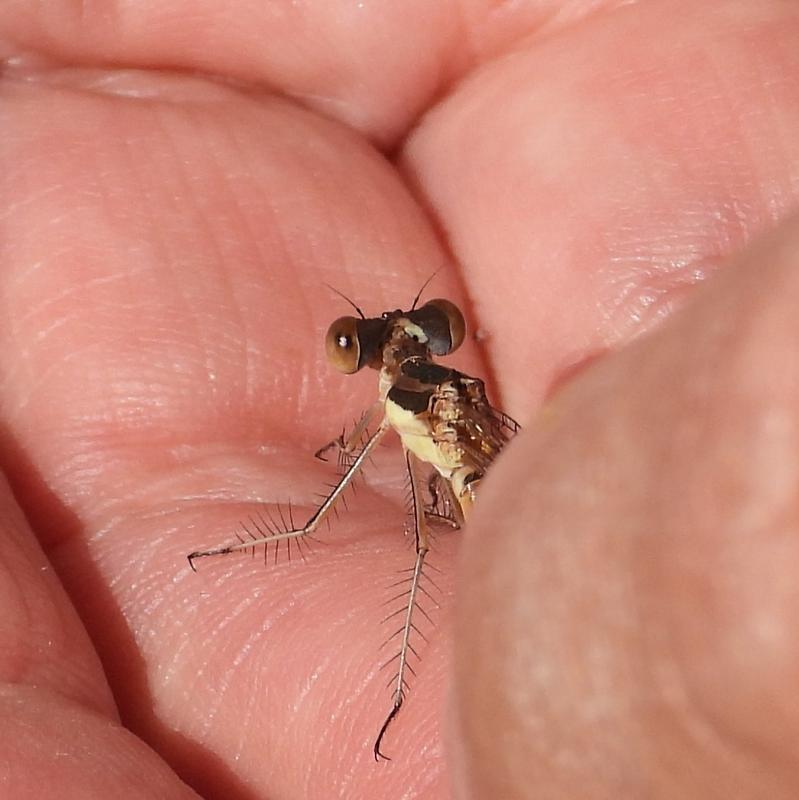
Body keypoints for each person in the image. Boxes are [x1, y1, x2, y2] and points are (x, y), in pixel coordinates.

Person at [2, 2, 798, 798]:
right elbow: (411, 423)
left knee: (419, 547)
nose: (396, 345)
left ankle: (392, 693)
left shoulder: (405, 398)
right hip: (504, 485)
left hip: (504, 498)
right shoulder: (424, 391)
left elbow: (346, 487)